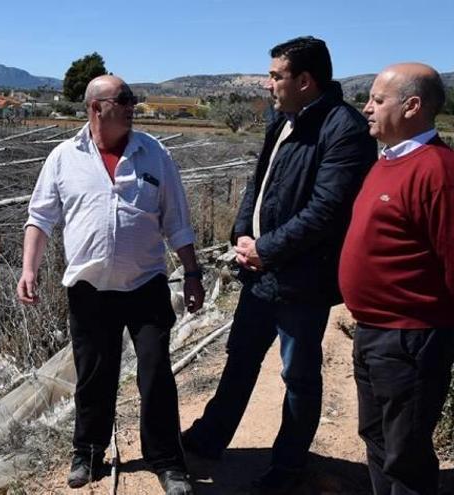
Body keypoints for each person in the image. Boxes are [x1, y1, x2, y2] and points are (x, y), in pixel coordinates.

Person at [180, 36, 377, 493]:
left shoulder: (342, 129)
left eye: (275, 76)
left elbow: (327, 210)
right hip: (261, 271)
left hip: (303, 280)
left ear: (305, 81)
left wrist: (266, 248)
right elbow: (260, 180)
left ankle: (289, 466)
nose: (268, 84)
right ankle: (211, 438)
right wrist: (242, 234)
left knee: (299, 376)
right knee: (240, 357)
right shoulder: (285, 119)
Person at [17, 74, 204, 494]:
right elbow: (41, 217)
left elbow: (177, 221)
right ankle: (87, 451)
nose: (133, 105)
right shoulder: (65, 157)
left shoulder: (154, 155)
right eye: (125, 99)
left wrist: (192, 273)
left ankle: (168, 462)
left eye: (132, 98)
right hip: (89, 290)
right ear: (96, 107)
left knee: (155, 373)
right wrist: (29, 268)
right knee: (93, 376)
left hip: (145, 285)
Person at [339, 63, 454, 495]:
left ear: (412, 106)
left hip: (411, 337)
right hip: (373, 333)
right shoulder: (386, 163)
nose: (366, 108)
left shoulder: (438, 171)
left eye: (377, 100)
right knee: (376, 439)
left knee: (404, 453)